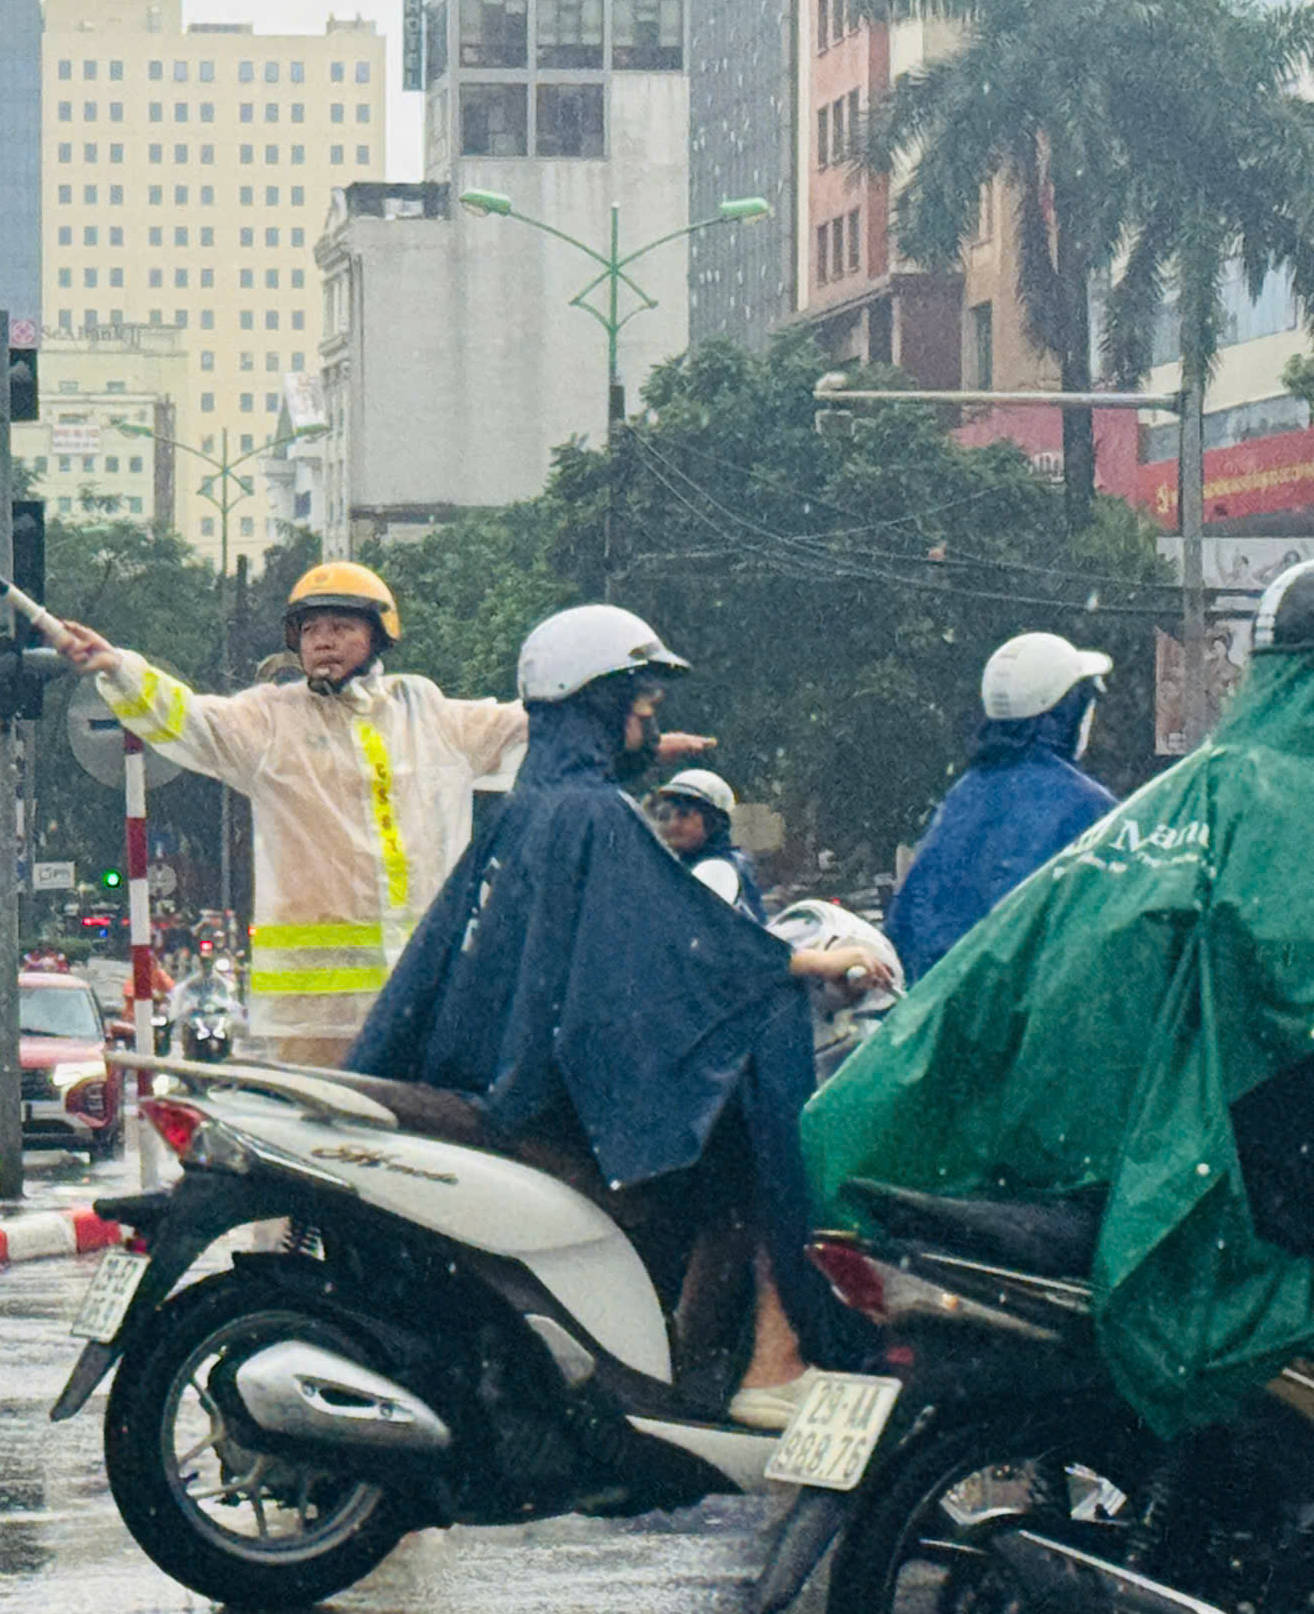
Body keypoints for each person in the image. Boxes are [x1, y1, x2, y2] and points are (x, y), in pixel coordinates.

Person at [806, 561, 1314, 1438]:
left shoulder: (1151, 805)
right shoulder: (1268, 806)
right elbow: (1275, 982)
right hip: (1212, 1157)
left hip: (1050, 1137)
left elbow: (978, 970)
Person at [346, 605, 872, 1428]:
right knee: (751, 1163)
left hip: (495, 1080)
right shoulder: (595, 816)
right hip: (539, 1103)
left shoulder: (527, 810)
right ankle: (775, 1363)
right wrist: (805, 964)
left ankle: (684, 1362)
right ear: (598, 702)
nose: (649, 718)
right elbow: (687, 954)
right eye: (641, 703)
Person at [56, 563, 715, 1068]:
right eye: (311, 630)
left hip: (426, 1003)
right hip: (308, 1023)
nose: (323, 643)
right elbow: (188, 717)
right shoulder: (268, 720)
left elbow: (534, 727)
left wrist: (643, 741)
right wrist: (120, 670)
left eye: (341, 627)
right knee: (301, 1184)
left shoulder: (428, 713)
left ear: (380, 635)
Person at [885, 631, 1116, 981]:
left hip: (944, 1018)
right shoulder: (1089, 809)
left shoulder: (962, 797)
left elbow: (911, 931)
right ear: (1069, 710)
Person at [648, 770, 765, 922]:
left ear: (714, 821)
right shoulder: (664, 866)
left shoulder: (727, 871)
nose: (673, 824)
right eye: (666, 814)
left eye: (684, 814)